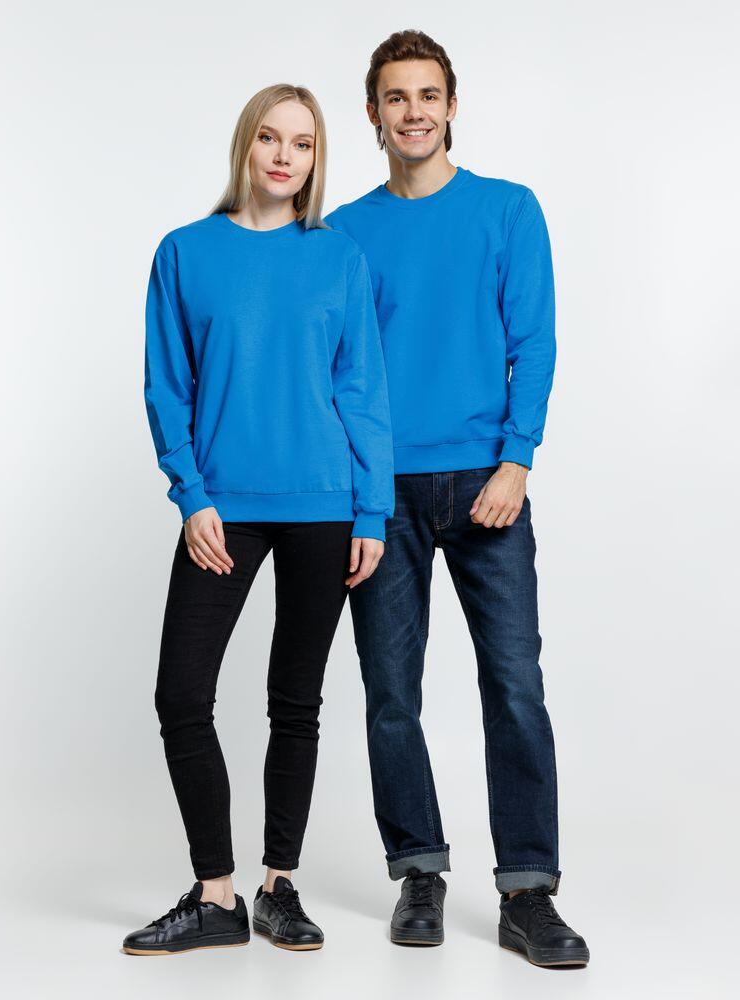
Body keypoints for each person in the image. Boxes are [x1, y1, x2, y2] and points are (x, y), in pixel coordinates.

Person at [325, 30, 589, 967]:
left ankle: (528, 892)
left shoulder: (507, 209)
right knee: (390, 693)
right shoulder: (344, 232)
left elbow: (535, 341)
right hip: (382, 492)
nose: (414, 112)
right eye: (396, 97)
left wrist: (516, 461)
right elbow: (337, 369)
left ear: (451, 105)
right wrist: (356, 493)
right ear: (373, 113)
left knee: (514, 685)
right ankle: (419, 872)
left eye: (428, 95)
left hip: (486, 483)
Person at [123, 83, 394, 956]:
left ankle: (280, 886)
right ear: (246, 144)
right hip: (223, 507)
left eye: (303, 144)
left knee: (295, 701)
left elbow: (362, 388)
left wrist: (372, 509)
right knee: (181, 694)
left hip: (324, 503)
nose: (285, 156)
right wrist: (192, 494)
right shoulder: (185, 252)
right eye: (271, 138)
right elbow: (167, 384)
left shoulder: (339, 257)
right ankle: (216, 895)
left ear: (317, 158)